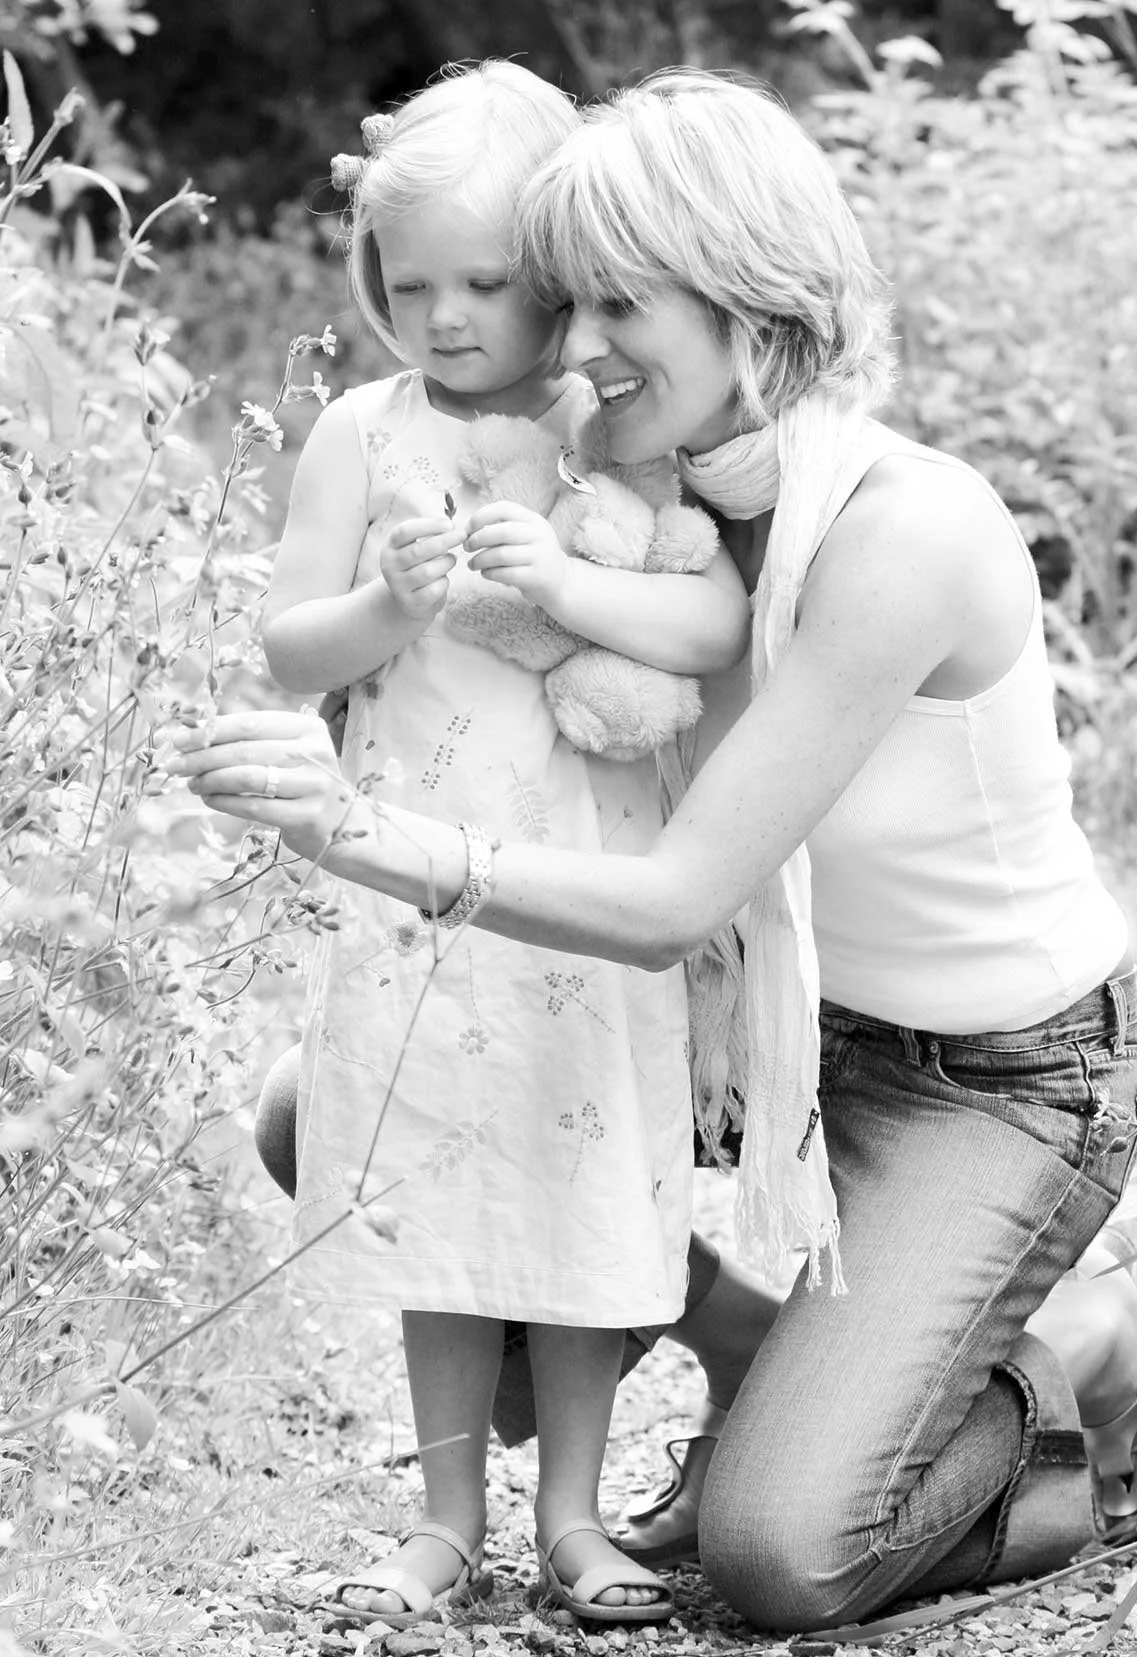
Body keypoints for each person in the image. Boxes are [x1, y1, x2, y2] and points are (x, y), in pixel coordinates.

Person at [168, 69, 1137, 1632]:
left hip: (993, 1075)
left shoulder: (901, 530)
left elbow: (671, 901)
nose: (573, 344)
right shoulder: (630, 497)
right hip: (772, 1035)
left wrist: (364, 833)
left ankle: (1092, 1343)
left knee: (776, 1552)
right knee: (326, 1114)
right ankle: (761, 1350)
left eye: (616, 305)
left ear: (750, 301)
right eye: (565, 299)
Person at [249, 62, 751, 1630]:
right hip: (422, 879)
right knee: (444, 1185)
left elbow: (714, 622)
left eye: (483, 281)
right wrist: (388, 604)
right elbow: (288, 648)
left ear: (558, 273)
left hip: (585, 883)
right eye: (411, 286)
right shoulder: (365, 429)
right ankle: (445, 1515)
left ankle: (577, 1515)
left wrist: (571, 583)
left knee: (583, 1179)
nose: (446, 317)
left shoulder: (613, 420)